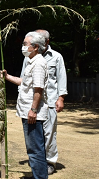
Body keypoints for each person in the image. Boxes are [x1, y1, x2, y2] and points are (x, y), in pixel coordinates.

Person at [2, 31, 49, 179]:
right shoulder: (31, 62)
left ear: (35, 47)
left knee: (35, 150)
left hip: (32, 113)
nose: (23, 47)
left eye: (25, 44)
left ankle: (40, 177)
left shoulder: (39, 63)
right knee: (33, 148)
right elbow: (25, 83)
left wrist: (33, 110)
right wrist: (7, 77)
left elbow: (38, 88)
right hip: (27, 111)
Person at [34, 29, 67, 175]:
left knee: (49, 133)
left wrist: (61, 98)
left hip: (51, 101)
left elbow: (61, 78)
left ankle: (50, 162)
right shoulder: (30, 56)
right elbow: (23, 77)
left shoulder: (56, 57)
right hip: (34, 102)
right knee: (35, 133)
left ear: (47, 41)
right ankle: (38, 161)